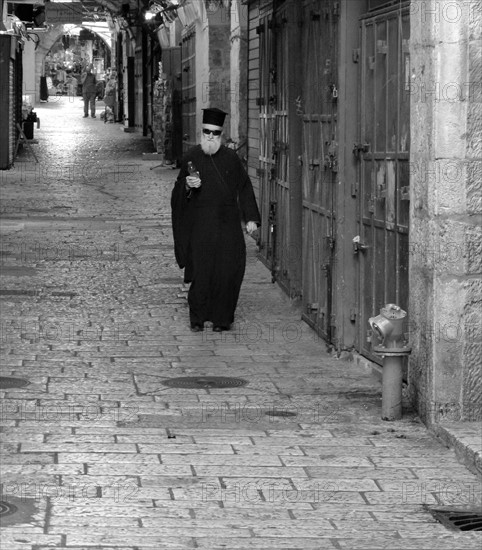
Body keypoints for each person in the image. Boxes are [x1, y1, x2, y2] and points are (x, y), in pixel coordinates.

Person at [171, 108, 261, 332]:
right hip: (200, 224)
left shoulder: (231, 159)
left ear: (220, 135)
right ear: (202, 133)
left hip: (227, 223)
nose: (210, 137)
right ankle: (197, 318)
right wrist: (187, 187)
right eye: (206, 132)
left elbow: (245, 187)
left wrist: (250, 217)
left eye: (215, 133)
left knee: (227, 270)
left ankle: (222, 318)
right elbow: (178, 191)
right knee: (201, 271)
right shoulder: (192, 156)